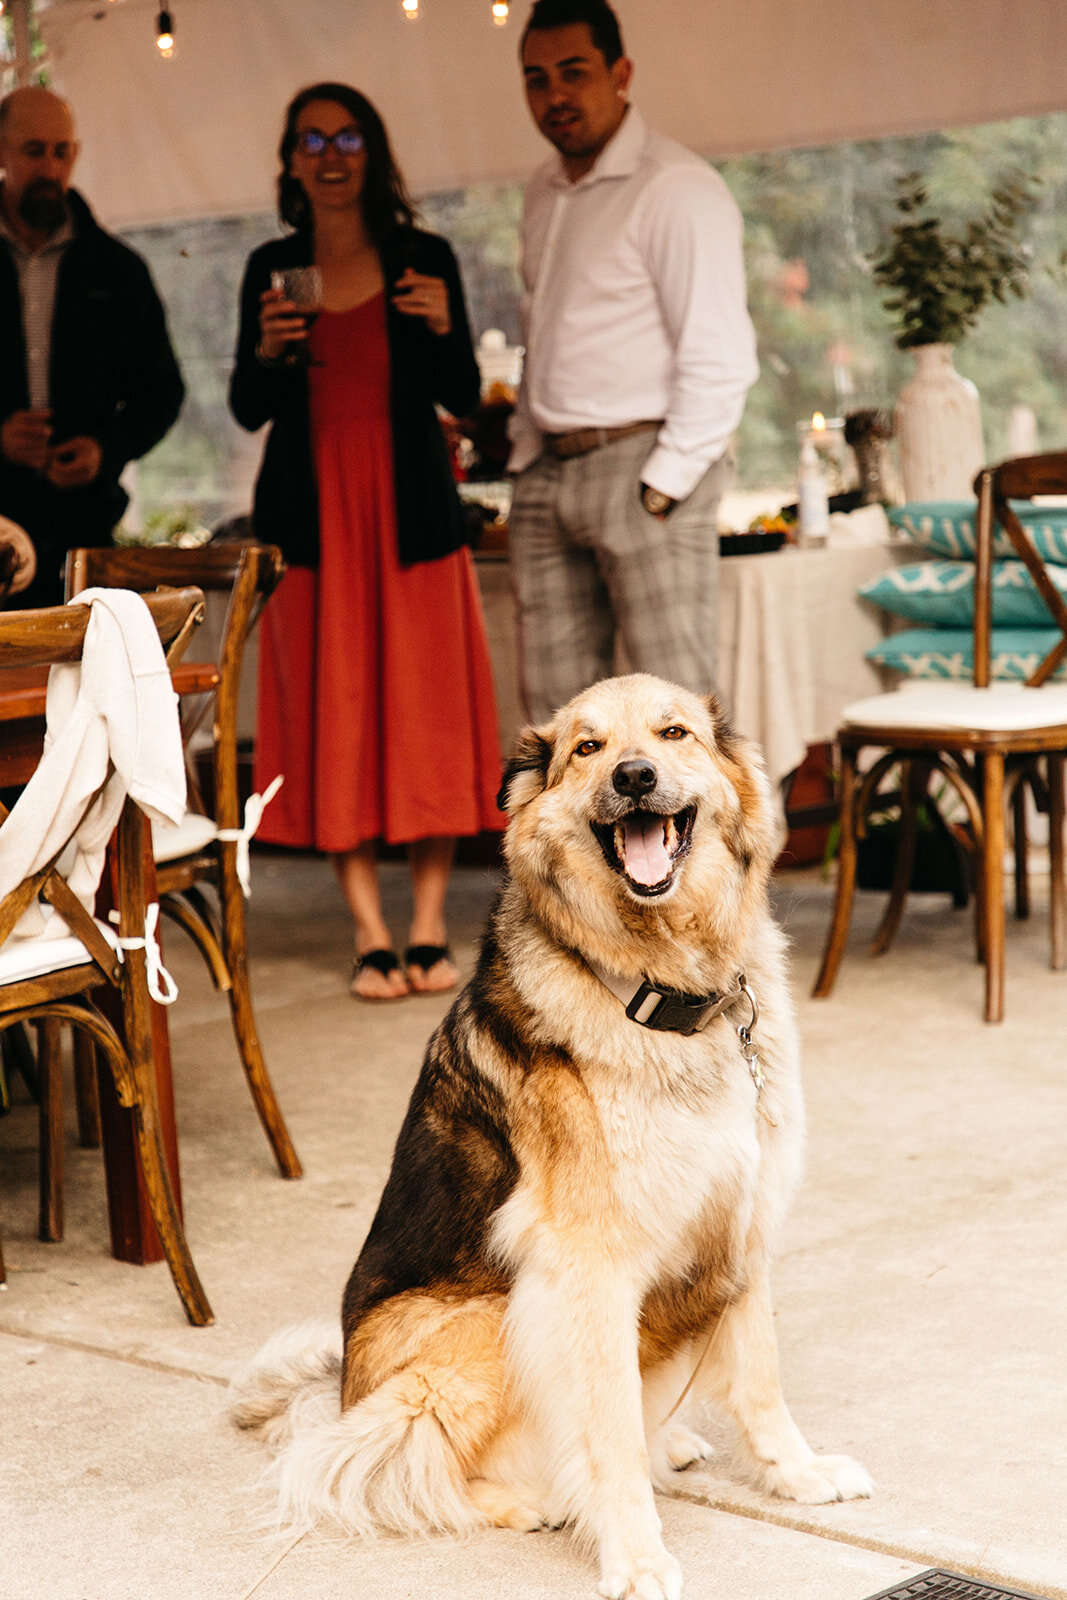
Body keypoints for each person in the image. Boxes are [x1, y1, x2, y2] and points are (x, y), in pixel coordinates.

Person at [230, 82, 503, 1002]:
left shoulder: (422, 257)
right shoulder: (275, 266)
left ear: (373, 151)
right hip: (313, 521)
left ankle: (425, 924)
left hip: (411, 510)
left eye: (347, 138)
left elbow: (461, 393)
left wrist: (441, 326)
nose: (330, 155)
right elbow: (247, 407)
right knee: (332, 713)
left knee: (427, 712)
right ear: (291, 160)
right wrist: (268, 351)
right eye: (311, 140)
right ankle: (369, 932)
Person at [508, 0, 759, 722]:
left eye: (573, 73)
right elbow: (547, 333)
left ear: (621, 74)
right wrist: (525, 453)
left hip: (643, 463)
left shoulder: (674, 186)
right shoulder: (543, 189)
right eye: (536, 79)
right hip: (548, 469)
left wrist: (662, 487)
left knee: (674, 716)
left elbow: (719, 356)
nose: (554, 95)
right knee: (558, 726)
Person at [0, 86, 184, 606]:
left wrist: (105, 449)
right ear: (2, 152)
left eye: (62, 152)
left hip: (84, 535)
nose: (50, 168)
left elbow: (162, 391)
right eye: (34, 151)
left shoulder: (117, 270)